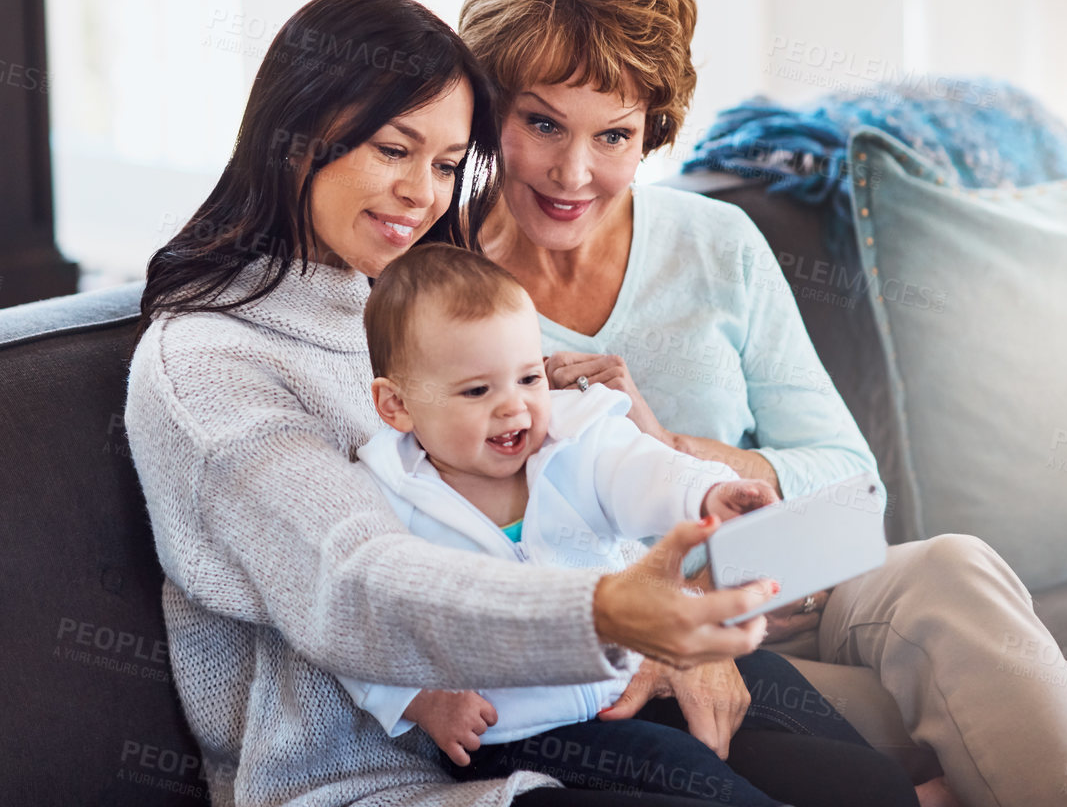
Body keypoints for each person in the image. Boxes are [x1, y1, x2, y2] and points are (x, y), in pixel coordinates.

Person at [454, 0, 1067, 807]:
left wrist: (676, 446)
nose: (574, 172)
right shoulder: (442, 302)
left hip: (812, 589)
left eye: (613, 135)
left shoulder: (714, 242)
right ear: (489, 110)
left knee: (955, 565)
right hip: (674, 642)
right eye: (542, 123)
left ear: (649, 133)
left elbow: (853, 478)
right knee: (1015, 714)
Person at [126, 0, 786, 807]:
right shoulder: (206, 368)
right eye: (393, 150)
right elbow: (360, 581)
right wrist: (606, 612)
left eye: (444, 163)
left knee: (864, 783)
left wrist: (667, 624)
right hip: (381, 780)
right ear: (293, 133)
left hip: (566, 699)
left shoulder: (405, 299)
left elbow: (567, 481)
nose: (422, 193)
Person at [331, 242, 918, 807]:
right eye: (478, 390)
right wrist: (420, 700)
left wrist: (710, 491)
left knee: (783, 695)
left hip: (635, 673)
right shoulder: (382, 498)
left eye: (530, 378)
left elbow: (645, 471)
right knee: (682, 769)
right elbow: (357, 623)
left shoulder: (573, 439)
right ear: (397, 406)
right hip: (534, 734)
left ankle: (892, 789)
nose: (514, 407)